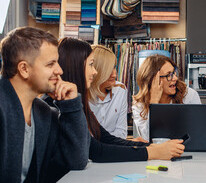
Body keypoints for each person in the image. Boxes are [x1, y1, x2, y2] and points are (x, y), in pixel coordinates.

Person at [0, 27, 89, 183]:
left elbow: (75, 162)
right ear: (24, 69)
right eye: (51, 64)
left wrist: (71, 106)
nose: (60, 71)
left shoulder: (44, 113)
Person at [53, 38, 184, 162]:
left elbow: (105, 138)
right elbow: (96, 151)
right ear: (76, 67)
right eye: (91, 65)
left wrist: (151, 147)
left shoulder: (76, 101)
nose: (95, 72)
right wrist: (153, 152)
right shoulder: (57, 105)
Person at [133, 54, 201, 141]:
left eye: (174, 72)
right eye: (168, 75)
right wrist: (153, 102)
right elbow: (146, 138)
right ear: (152, 80)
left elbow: (198, 132)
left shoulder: (189, 95)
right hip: (157, 151)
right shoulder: (139, 104)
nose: (175, 78)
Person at [88, 45, 129, 139]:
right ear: (96, 69)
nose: (114, 74)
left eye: (114, 67)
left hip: (114, 150)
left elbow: (122, 133)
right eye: (108, 69)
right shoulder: (82, 95)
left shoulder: (121, 90)